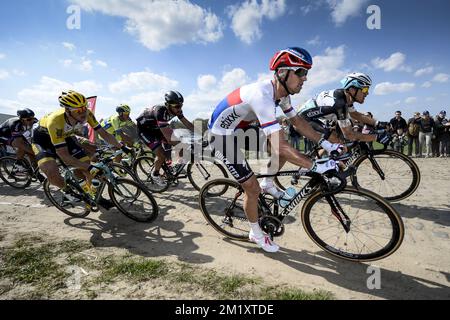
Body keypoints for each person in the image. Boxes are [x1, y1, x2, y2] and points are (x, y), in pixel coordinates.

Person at [208, 47, 343, 253]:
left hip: (241, 129)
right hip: (221, 136)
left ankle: (268, 183)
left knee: (283, 141)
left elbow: (298, 122)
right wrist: (315, 165)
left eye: (306, 73)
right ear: (282, 72)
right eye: (300, 72)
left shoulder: (282, 95)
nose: (305, 78)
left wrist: (328, 144)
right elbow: (281, 146)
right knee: (251, 188)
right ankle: (255, 233)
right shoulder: (262, 94)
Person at [31, 90, 132, 207]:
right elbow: (64, 155)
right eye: (79, 110)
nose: (83, 112)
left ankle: (92, 195)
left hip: (65, 136)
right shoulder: (56, 121)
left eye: (85, 107)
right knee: (51, 171)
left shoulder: (87, 113)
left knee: (86, 167)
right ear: (68, 111)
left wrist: (122, 147)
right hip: (43, 140)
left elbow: (104, 133)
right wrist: (89, 167)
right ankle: (67, 191)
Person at [298, 72, 391, 146]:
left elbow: (356, 115)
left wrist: (377, 123)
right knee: (337, 142)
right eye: (365, 90)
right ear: (352, 90)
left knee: (338, 144)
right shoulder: (340, 103)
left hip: (311, 117)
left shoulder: (346, 98)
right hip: (303, 119)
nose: (367, 93)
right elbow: (349, 134)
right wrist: (376, 137)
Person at [136, 91, 194, 186]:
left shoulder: (177, 110)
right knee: (161, 154)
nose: (179, 108)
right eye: (176, 106)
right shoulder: (160, 111)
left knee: (181, 144)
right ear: (168, 105)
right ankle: (155, 174)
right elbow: (170, 139)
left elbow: (188, 124)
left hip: (156, 127)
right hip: (145, 130)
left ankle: (177, 166)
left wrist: (201, 134)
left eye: (181, 105)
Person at [0, 109, 43, 179]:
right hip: (3, 135)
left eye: (33, 118)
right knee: (24, 147)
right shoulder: (15, 123)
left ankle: (36, 173)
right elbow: (18, 142)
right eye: (29, 119)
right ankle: (18, 164)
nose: (32, 121)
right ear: (22, 120)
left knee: (31, 150)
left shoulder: (34, 121)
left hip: (17, 135)